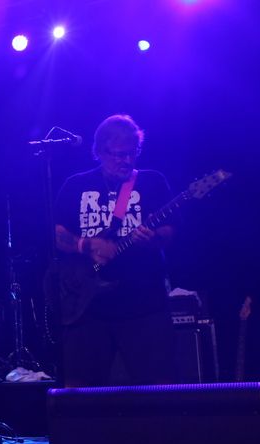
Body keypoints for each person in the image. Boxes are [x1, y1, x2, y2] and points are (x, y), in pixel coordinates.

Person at [53, 114, 177, 386]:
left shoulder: (152, 182)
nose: (126, 160)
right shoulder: (75, 185)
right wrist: (86, 245)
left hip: (145, 306)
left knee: (159, 392)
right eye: (118, 154)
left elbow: (170, 232)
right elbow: (55, 234)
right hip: (87, 309)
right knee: (81, 394)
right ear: (99, 151)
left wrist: (153, 238)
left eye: (132, 153)